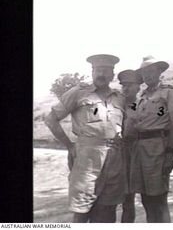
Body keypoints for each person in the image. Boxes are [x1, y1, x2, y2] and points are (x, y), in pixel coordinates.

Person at [45, 54, 126, 223]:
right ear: (92, 72)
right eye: (97, 70)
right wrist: (69, 146)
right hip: (87, 158)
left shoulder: (119, 97)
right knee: (82, 208)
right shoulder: (78, 93)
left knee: (108, 208)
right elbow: (51, 119)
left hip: (114, 157)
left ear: (112, 74)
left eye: (105, 70)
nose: (101, 74)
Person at [130, 56, 173, 222]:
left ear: (159, 72)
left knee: (158, 199)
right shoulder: (141, 97)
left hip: (157, 147)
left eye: (151, 71)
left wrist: (169, 151)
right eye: (144, 73)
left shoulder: (168, 92)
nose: (147, 76)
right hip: (140, 148)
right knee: (145, 198)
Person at [117, 69, 143, 223]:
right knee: (108, 199)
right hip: (114, 154)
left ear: (138, 87)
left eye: (129, 85)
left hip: (132, 155)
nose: (125, 88)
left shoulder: (143, 105)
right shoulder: (114, 104)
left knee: (128, 199)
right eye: (123, 85)